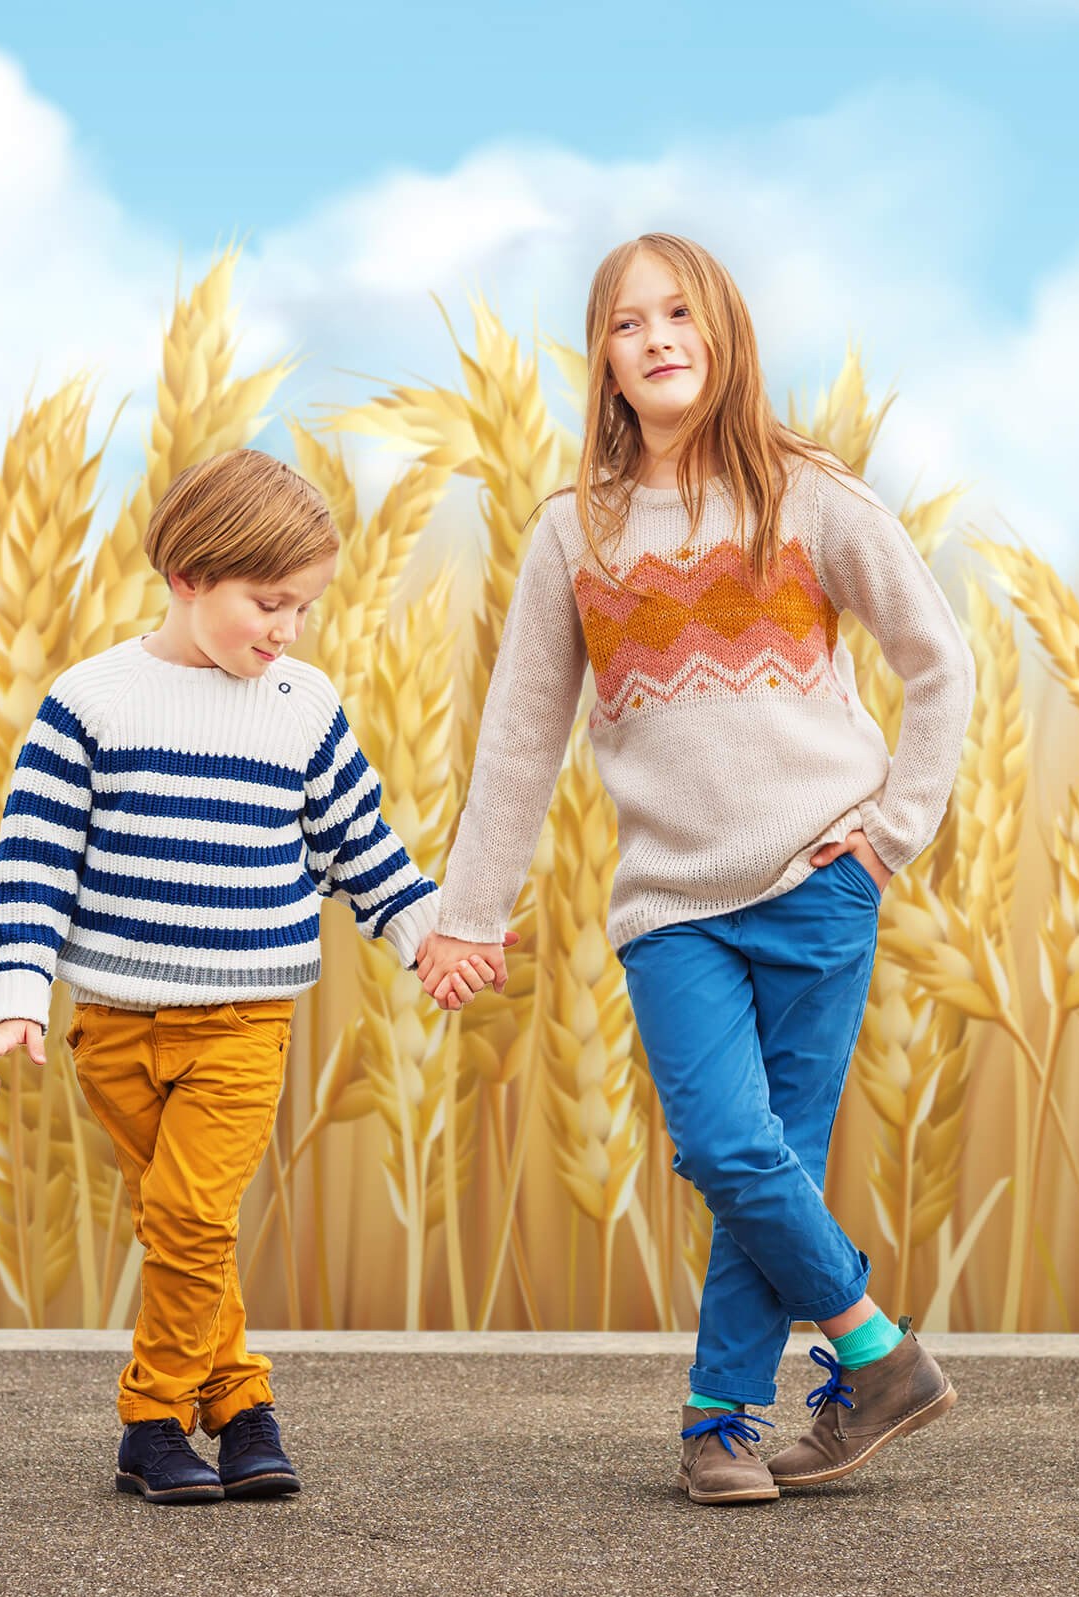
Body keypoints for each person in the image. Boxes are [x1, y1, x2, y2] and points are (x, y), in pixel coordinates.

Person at [415, 234, 976, 1505]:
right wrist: (471, 914)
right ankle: (877, 1352)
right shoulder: (576, 532)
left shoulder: (808, 495)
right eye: (627, 323)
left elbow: (939, 660)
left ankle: (718, 1422)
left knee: (771, 1155)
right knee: (729, 1146)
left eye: (680, 313)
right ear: (604, 362)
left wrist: (890, 833)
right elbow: (518, 735)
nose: (657, 336)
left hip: (818, 881)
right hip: (670, 904)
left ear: (721, 335)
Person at [0, 448, 495, 1505]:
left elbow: (361, 845)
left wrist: (433, 932)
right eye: (268, 601)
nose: (286, 628)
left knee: (195, 1214)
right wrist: (14, 996)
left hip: (243, 1020)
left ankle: (151, 1419)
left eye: (301, 607)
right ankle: (244, 1403)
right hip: (111, 1024)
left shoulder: (301, 706)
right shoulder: (89, 703)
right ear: (188, 574)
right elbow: (32, 862)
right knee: (179, 1221)